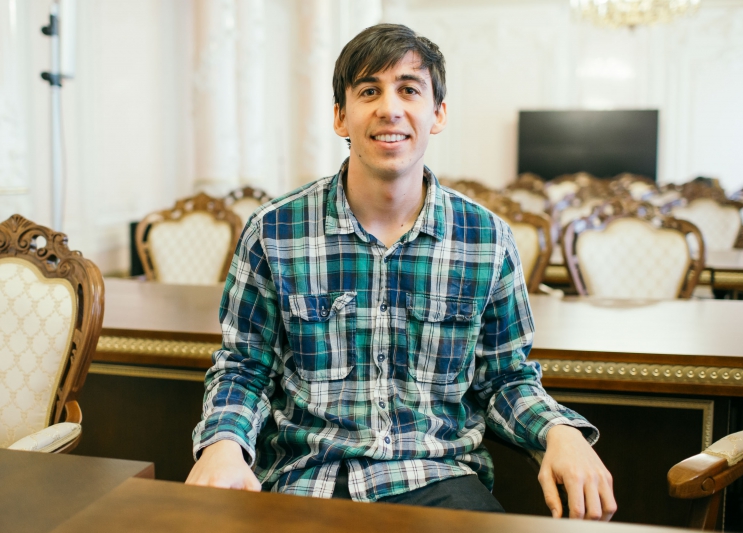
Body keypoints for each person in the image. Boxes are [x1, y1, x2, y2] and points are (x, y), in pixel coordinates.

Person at [187, 23, 616, 520]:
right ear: (340, 116)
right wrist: (223, 443)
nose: (389, 108)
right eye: (369, 91)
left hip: (439, 477)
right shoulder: (273, 230)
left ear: (438, 114)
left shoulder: (486, 239)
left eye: (409, 90)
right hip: (306, 479)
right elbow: (245, 367)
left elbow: (504, 377)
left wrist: (559, 431)